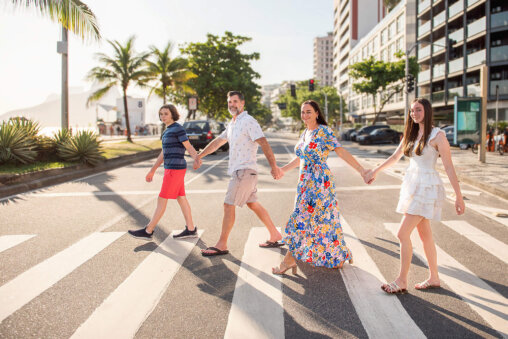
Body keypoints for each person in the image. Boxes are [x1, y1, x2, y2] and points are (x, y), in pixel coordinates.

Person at [364, 98, 465, 294]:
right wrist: (375, 171)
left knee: (402, 233)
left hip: (426, 188)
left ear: (427, 111)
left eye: (418, 110)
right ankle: (434, 277)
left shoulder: (438, 136)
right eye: (411, 111)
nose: (414, 114)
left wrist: (458, 197)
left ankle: (402, 280)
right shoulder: (410, 134)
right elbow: (395, 157)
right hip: (412, 186)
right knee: (424, 235)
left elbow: (449, 167)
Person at [272, 100, 367, 275]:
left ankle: (288, 261)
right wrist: (282, 170)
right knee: (323, 221)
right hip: (304, 182)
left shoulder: (324, 131)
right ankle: (336, 257)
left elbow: (340, 151)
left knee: (302, 220)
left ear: (317, 113)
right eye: (303, 112)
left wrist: (362, 170)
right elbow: (301, 158)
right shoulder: (305, 133)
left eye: (308, 112)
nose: (305, 115)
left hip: (318, 183)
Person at [195, 91, 284, 256]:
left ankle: (221, 244)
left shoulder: (248, 121)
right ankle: (275, 234)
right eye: (229, 102)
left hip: (243, 171)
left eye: (235, 102)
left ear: (243, 103)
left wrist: (274, 166)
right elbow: (217, 142)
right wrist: (200, 155)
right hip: (244, 172)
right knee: (253, 204)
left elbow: (263, 142)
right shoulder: (233, 123)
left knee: (228, 205)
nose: (232, 105)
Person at [128, 104, 200, 240]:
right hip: (172, 168)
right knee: (181, 198)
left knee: (162, 199)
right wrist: (152, 170)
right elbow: (163, 153)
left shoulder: (178, 129)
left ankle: (148, 230)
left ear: (173, 114)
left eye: (166, 113)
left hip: (175, 169)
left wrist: (196, 158)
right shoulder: (167, 131)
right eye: (161, 114)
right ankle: (191, 229)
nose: (163, 116)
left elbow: (188, 146)